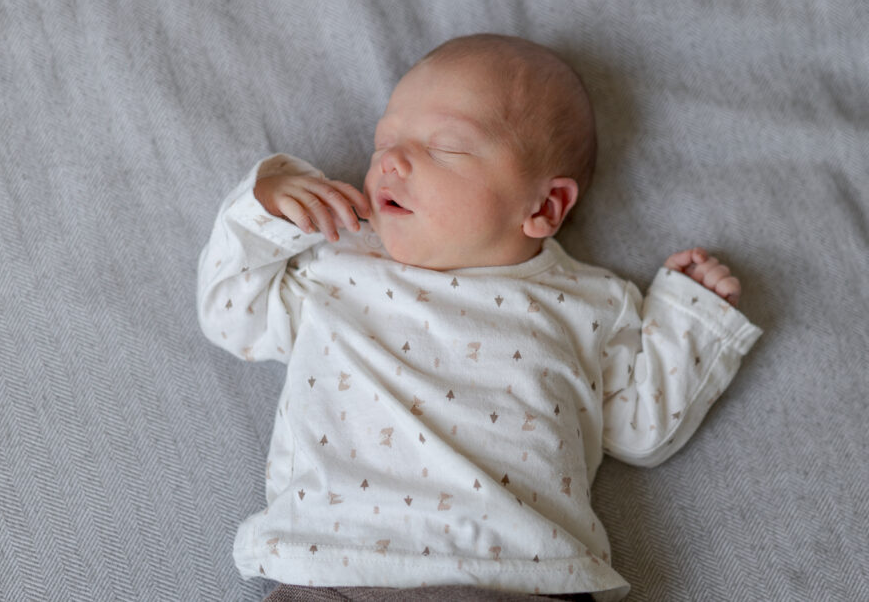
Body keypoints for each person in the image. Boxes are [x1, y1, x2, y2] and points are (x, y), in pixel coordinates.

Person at [196, 34, 762, 602]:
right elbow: (230, 317)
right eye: (384, 141)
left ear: (542, 207)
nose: (391, 159)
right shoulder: (337, 260)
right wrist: (263, 211)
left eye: (444, 147)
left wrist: (689, 318)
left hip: (521, 577)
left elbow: (640, 429)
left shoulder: (590, 303)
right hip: (341, 566)